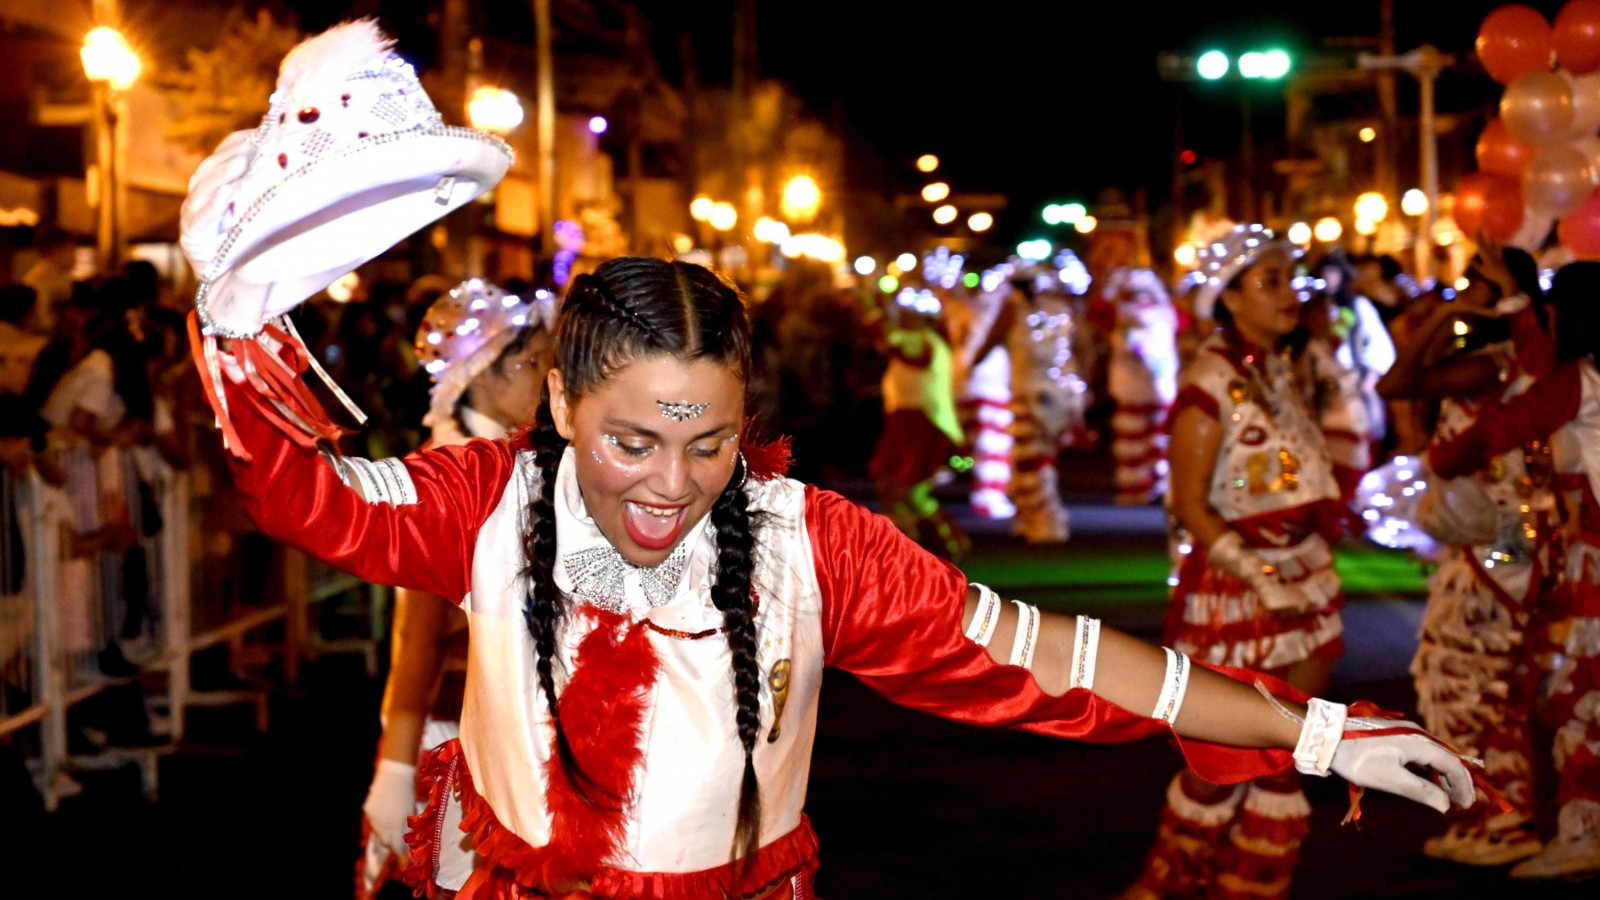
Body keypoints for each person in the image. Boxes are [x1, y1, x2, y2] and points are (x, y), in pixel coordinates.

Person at [179, 26, 1477, 898]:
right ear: (564, 408)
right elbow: (301, 493)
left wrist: (1310, 728)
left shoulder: (812, 541)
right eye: (633, 439)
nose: (673, 484)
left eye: (710, 442)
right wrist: (231, 313)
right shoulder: (486, 499)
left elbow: (1063, 664)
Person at [1121, 225, 1352, 900]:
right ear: (1228, 298)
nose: (1290, 295)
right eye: (1270, 282)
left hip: (1306, 576)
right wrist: (1261, 577)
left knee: (1291, 749)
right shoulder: (1209, 383)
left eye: (1290, 279)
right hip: (1241, 591)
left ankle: (1252, 884)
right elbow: (1189, 503)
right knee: (1224, 756)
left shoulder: (1280, 368)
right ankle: (1172, 882)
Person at [358, 278, 554, 898]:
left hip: (503, 723)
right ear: (480, 375)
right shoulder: (453, 474)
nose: (544, 378)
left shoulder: (505, 459)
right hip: (456, 732)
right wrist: (394, 771)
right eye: (528, 363)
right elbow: (423, 633)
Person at [1374, 247, 1549, 867]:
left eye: (1475, 282)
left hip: (1497, 551)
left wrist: (1450, 315)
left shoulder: (1492, 367)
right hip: (1480, 546)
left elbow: (1395, 383)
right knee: (1464, 680)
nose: (1462, 291)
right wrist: (1449, 315)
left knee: (1480, 682)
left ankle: (1508, 820)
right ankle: (1490, 818)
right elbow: (1396, 385)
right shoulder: (1493, 360)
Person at [1427, 257, 1600, 881]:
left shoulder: (1578, 380)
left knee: (1582, 703)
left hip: (1591, 563)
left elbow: (1502, 423)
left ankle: (1581, 833)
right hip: (1574, 553)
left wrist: (1444, 456)